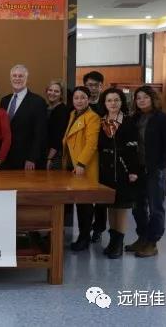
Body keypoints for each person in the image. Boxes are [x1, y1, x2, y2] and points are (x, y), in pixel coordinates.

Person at [125, 86, 166, 258]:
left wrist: (160, 167)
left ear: (153, 99)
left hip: (155, 170)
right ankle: (142, 237)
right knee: (138, 207)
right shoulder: (134, 118)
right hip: (137, 170)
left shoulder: (163, 119)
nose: (141, 100)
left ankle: (152, 243)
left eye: (145, 97)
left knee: (155, 208)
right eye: (138, 98)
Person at [97, 88, 139, 259]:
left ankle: (118, 244)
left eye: (116, 100)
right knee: (110, 206)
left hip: (123, 169)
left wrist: (133, 170)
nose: (113, 103)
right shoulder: (101, 121)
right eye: (109, 100)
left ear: (122, 102)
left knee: (121, 206)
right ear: (104, 103)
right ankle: (112, 240)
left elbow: (134, 148)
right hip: (105, 170)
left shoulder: (128, 121)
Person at [62, 86, 100, 251]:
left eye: (83, 97)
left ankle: (84, 237)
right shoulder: (73, 114)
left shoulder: (93, 117)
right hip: (70, 163)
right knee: (77, 201)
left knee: (85, 203)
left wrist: (81, 164)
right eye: (76, 98)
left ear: (89, 99)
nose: (79, 101)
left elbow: (92, 144)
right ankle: (82, 236)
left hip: (83, 166)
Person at [0, 64, 47, 170]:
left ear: (26, 79)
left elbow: (40, 133)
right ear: (10, 78)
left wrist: (32, 158)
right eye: (14, 76)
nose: (17, 78)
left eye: (20, 76)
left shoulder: (38, 102)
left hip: (27, 160)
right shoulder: (4, 101)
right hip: (6, 158)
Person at [83, 71, 107, 241]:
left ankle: (98, 228)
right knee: (84, 195)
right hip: (83, 156)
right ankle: (84, 228)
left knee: (100, 195)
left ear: (101, 86)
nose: (92, 88)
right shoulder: (80, 104)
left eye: (95, 85)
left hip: (102, 156)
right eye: (89, 85)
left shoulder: (106, 105)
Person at [45, 80, 70, 171]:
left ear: (61, 94)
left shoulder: (62, 110)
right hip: (45, 151)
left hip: (55, 154)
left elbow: (58, 136)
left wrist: (50, 158)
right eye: (50, 90)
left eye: (56, 91)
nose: (52, 93)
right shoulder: (45, 107)